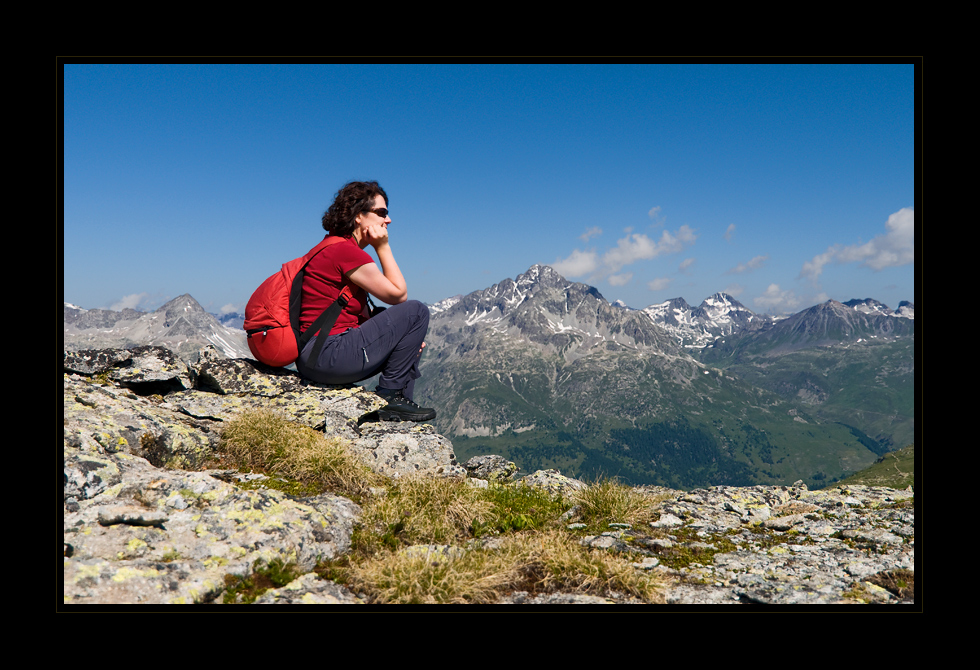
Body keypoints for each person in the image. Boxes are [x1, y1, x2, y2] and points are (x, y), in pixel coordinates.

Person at [295, 180, 436, 422]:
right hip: (328, 353)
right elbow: (398, 295)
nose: (388, 220)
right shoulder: (345, 251)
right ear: (358, 216)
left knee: (393, 322)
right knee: (416, 312)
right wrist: (382, 247)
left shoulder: (332, 247)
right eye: (382, 213)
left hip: (318, 355)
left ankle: (398, 410)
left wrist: (405, 344)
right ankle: (390, 397)